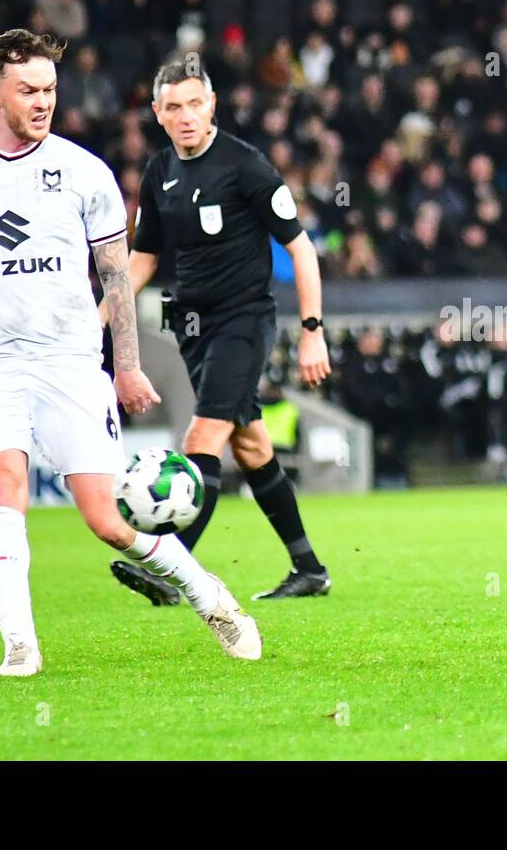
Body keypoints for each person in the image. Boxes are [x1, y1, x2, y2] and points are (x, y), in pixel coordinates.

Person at [0, 29, 261, 676]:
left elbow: (117, 277)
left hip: (69, 364)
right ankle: (20, 646)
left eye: (51, 89)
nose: (44, 101)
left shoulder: (86, 174)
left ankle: (208, 595)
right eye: (28, 90)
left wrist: (127, 365)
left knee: (106, 519)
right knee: (0, 486)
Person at [108, 59, 334, 606]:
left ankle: (171, 571)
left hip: (243, 321)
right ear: (158, 115)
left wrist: (312, 331)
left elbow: (301, 248)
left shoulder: (245, 166)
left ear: (212, 105)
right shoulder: (159, 171)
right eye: (173, 107)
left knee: (201, 437)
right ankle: (309, 568)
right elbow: (143, 260)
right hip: (191, 326)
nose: (185, 116)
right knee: (251, 445)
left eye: (194, 104)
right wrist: (100, 321)